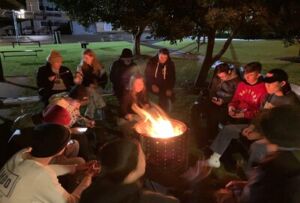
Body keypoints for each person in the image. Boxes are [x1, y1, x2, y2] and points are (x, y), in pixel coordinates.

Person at [207, 68, 300, 168]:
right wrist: (251, 127)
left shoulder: (291, 102)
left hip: (275, 135)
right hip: (260, 127)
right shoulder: (269, 96)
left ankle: (252, 173)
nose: (267, 86)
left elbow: (287, 131)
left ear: (282, 83)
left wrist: (261, 135)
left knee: (256, 147)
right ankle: (214, 158)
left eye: (271, 83)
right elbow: (260, 113)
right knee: (228, 129)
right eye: (266, 83)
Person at [218, 105, 300, 203]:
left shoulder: (271, 168)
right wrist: (248, 185)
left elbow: (254, 197)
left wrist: (234, 197)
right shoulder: (289, 158)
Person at [0, 123, 98, 203]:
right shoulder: (40, 175)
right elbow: (72, 201)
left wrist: (75, 168)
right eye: (66, 144)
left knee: (79, 161)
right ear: (59, 150)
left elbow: (42, 171)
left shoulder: (23, 153)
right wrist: (88, 177)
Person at [80, 139, 179, 203]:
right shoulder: (149, 200)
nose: (145, 157)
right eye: (142, 156)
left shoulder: (90, 192)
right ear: (132, 170)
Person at [207, 62, 267, 168]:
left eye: (250, 75)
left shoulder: (263, 89)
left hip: (250, 119)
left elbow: (262, 112)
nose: (246, 77)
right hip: (237, 114)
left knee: (228, 129)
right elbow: (234, 100)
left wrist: (244, 114)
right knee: (215, 115)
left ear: (258, 75)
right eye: (245, 73)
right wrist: (231, 107)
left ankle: (220, 157)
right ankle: (216, 151)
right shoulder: (242, 85)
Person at [74, 49, 108, 120]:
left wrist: (98, 84)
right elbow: (80, 80)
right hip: (86, 88)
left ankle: (89, 116)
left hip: (98, 87)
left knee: (92, 97)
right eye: (83, 57)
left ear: (92, 57)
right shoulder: (81, 67)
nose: (84, 59)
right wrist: (88, 84)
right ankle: (102, 105)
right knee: (90, 90)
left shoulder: (99, 66)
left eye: (86, 58)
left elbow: (104, 79)